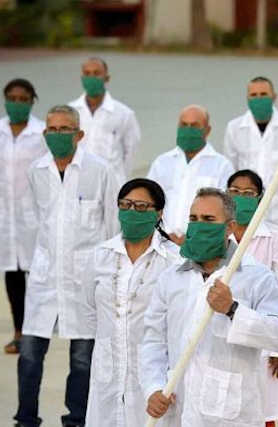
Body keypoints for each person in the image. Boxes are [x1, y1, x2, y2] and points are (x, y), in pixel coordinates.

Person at [139, 188, 278, 427]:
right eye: (194, 219)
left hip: (231, 413)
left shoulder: (256, 276)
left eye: (208, 219)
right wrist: (154, 387)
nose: (199, 225)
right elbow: (153, 341)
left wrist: (233, 310)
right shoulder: (171, 278)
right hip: (177, 407)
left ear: (230, 227)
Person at [15, 105, 119, 427]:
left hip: (85, 279)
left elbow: (112, 224)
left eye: (65, 129)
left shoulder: (99, 170)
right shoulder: (37, 171)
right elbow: (32, 220)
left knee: (83, 359)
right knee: (30, 354)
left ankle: (76, 420)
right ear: (44, 133)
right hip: (45, 278)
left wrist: (108, 274)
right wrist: (36, 261)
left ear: (79, 134)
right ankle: (26, 419)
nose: (57, 135)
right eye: (52, 129)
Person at [84, 178, 180, 427]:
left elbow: (180, 320)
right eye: (125, 205)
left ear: (158, 213)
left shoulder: (174, 261)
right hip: (108, 368)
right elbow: (90, 310)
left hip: (156, 372)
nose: (132, 212)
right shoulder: (101, 255)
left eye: (141, 206)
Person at [226, 169, 278, 426]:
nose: (240, 198)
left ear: (260, 198)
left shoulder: (275, 239)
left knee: (262, 411)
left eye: (248, 193)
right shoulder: (216, 234)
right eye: (234, 192)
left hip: (262, 337)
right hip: (221, 333)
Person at [223, 76, 278, 233]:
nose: (259, 99)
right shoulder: (234, 128)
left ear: (274, 97)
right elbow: (232, 171)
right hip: (247, 211)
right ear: (247, 99)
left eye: (263, 94)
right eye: (254, 95)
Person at [0, 78, 47, 354]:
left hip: (35, 214)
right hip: (5, 217)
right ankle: (19, 331)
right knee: (13, 273)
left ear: (32, 101)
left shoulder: (41, 133)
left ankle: (36, 329)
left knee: (38, 273)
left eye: (23, 99)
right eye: (12, 99)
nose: (17, 104)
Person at [147, 104, 234, 245]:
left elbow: (225, 210)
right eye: (184, 125)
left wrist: (191, 238)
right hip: (162, 243)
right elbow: (149, 203)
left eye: (194, 125)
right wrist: (163, 236)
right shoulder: (161, 163)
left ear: (207, 130)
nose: (188, 130)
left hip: (201, 244)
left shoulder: (222, 166)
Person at [68, 57, 140, 185]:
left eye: (96, 73)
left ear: (107, 78)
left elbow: (131, 151)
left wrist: (120, 179)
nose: (91, 78)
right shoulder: (69, 112)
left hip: (112, 183)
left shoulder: (124, 114)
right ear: (82, 78)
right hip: (78, 182)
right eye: (87, 74)